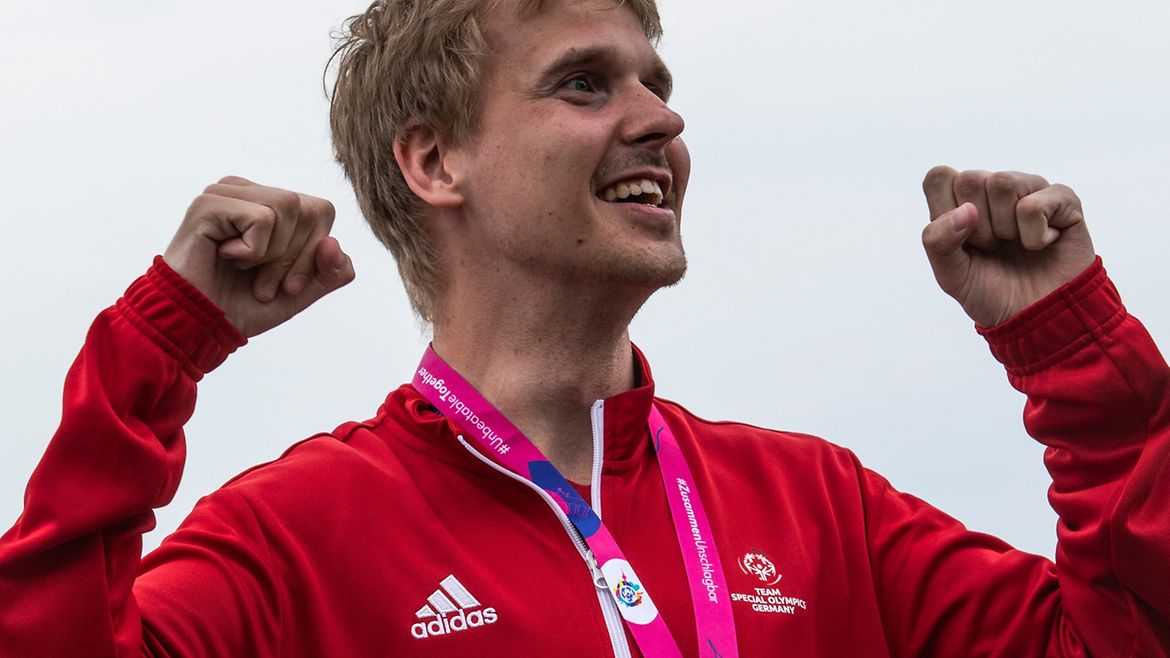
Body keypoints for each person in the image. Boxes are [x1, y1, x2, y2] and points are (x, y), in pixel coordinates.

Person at [1, 0, 1167, 655]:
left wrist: (1074, 355)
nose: (662, 118)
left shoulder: (820, 512)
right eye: (585, 84)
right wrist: (158, 347)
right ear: (434, 158)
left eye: (654, 82)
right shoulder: (292, 545)